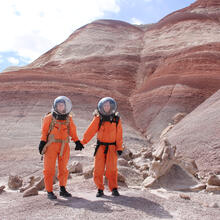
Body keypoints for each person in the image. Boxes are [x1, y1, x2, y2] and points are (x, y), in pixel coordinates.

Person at [38, 96, 84, 200]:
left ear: (65, 106)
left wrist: (77, 141)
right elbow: (44, 132)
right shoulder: (49, 118)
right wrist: (42, 142)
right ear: (55, 106)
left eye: (62, 105)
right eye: (58, 105)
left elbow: (72, 131)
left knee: (63, 169)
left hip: (64, 146)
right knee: (49, 169)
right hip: (51, 146)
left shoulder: (68, 118)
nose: (60, 107)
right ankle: (49, 191)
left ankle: (62, 189)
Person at [81, 97, 123, 197]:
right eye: (105, 105)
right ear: (101, 107)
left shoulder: (116, 119)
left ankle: (114, 188)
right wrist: (82, 142)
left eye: (108, 105)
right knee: (98, 169)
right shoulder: (98, 118)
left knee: (112, 169)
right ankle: (100, 189)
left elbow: (119, 135)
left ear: (111, 106)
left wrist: (119, 148)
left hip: (112, 147)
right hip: (100, 147)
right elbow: (90, 131)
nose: (106, 107)